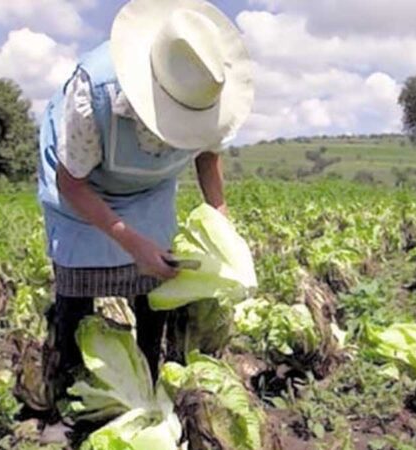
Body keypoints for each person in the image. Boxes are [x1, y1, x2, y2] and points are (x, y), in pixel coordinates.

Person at [36, 0, 254, 407]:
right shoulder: (94, 90)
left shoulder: (207, 89)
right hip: (82, 184)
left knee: (157, 279)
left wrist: (223, 225)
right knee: (77, 283)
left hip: (148, 189)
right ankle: (70, 387)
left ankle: (148, 377)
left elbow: (208, 158)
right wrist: (133, 244)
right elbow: (73, 184)